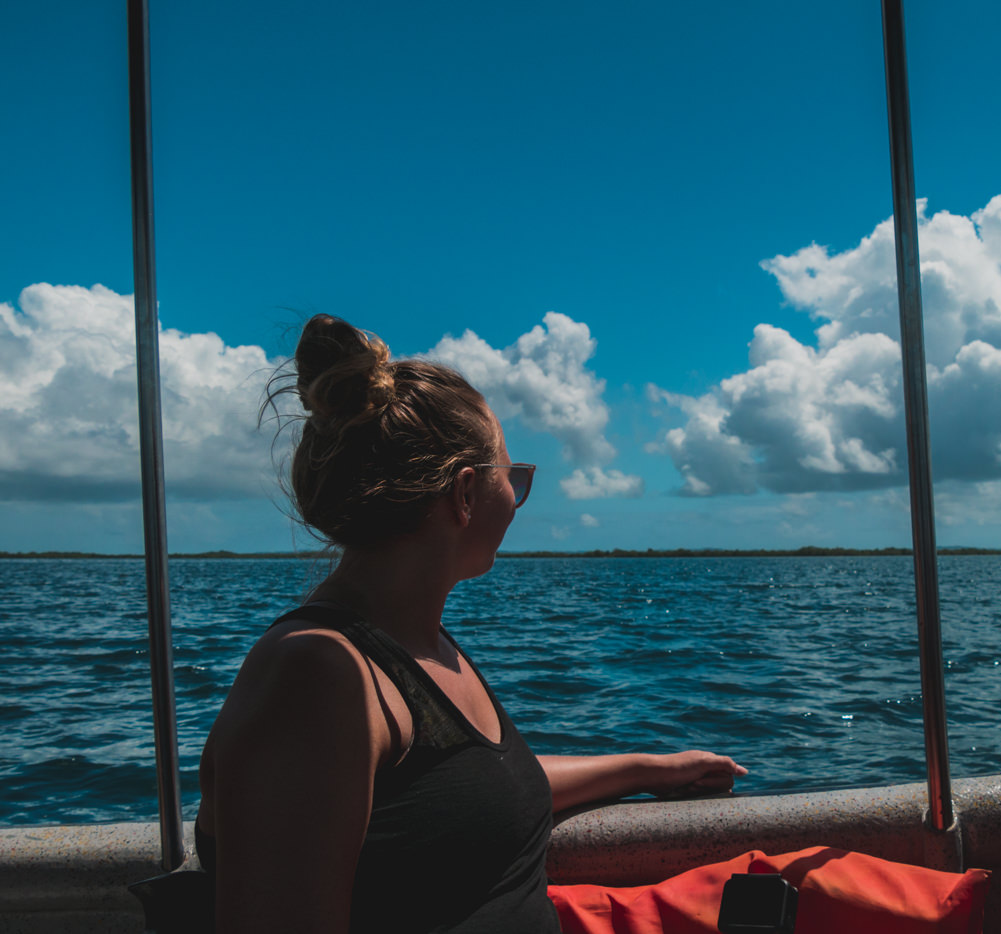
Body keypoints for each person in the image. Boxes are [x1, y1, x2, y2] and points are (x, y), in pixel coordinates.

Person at [195, 315, 746, 933]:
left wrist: (645, 768)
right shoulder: (317, 675)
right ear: (464, 494)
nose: (517, 500)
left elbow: (468, 790)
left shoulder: (416, 647)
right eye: (513, 479)